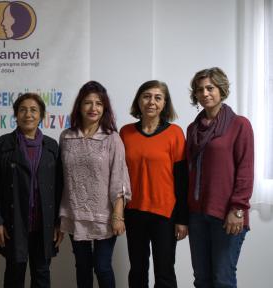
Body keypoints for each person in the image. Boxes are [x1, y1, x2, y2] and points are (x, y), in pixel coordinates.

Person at [186, 67, 254, 288]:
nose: (205, 93)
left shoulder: (239, 125)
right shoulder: (192, 129)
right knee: (202, 280)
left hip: (227, 214)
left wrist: (238, 209)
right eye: (199, 89)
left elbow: (245, 170)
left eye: (210, 88)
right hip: (197, 215)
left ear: (221, 90)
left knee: (223, 280)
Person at [59, 81, 131, 288]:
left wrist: (118, 215)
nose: (93, 108)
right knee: (82, 266)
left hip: (105, 215)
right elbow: (62, 178)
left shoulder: (112, 138)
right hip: (74, 211)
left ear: (104, 108)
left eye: (98, 103)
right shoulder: (66, 137)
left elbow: (119, 178)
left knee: (102, 267)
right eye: (88, 103)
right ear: (79, 107)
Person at [0, 93, 63, 288]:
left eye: (33, 110)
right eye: (22, 110)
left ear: (41, 115)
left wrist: (59, 223)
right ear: (16, 115)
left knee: (42, 274)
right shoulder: (3, 144)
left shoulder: (52, 146)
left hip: (43, 224)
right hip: (14, 222)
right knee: (14, 274)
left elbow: (60, 188)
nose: (28, 114)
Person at [120, 80, 188, 288]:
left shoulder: (175, 133)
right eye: (146, 96)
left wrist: (182, 219)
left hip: (165, 214)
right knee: (138, 270)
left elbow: (182, 179)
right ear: (138, 100)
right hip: (134, 212)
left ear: (164, 103)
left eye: (158, 98)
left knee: (165, 272)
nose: (152, 102)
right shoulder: (125, 133)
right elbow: (118, 175)